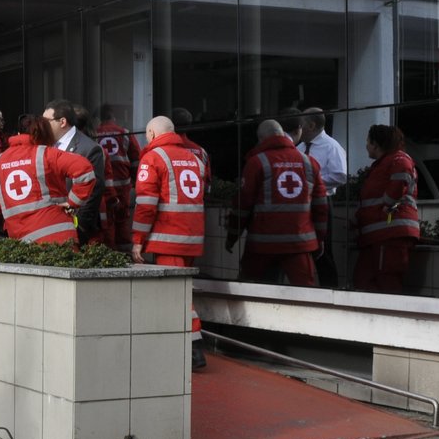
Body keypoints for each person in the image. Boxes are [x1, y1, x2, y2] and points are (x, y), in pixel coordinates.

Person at [133, 114, 209, 371]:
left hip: (167, 238)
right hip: (192, 237)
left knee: (178, 298)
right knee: (182, 294)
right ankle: (186, 347)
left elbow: (145, 205)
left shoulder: (153, 157)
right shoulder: (196, 157)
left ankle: (194, 351)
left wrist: (137, 240)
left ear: (152, 134)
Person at [227, 119, 328, 287]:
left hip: (262, 246)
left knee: (251, 293)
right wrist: (320, 239)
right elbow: (321, 207)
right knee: (308, 298)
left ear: (260, 140)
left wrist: (232, 237)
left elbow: (242, 205)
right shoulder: (309, 163)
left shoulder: (256, 162)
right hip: (299, 245)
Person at [0, 114, 96, 245]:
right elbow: (85, 171)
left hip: (23, 243)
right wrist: (73, 202)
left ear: (17, 134)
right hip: (60, 238)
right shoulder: (47, 154)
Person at [354, 124, 421, 293]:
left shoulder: (398, 160)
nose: (366, 145)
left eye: (368, 141)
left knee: (387, 283)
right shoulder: (384, 164)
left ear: (376, 144)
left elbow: (397, 185)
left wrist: (388, 202)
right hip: (379, 236)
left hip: (390, 235)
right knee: (364, 281)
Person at [297, 107, 349, 287]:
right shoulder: (300, 147)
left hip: (321, 202)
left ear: (311, 125)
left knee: (323, 249)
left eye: (301, 124)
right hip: (301, 204)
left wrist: (314, 184)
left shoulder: (331, 146)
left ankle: (330, 289)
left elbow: (340, 176)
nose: (299, 128)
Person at [43, 101, 106, 245]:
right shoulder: (44, 145)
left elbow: (93, 193)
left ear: (62, 122)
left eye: (46, 121)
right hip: (48, 226)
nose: (42, 125)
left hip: (75, 229)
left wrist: (79, 230)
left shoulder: (89, 148)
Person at [93, 105, 140, 249]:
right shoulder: (125, 133)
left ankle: (110, 251)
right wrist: (134, 182)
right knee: (122, 219)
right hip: (122, 185)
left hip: (103, 186)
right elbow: (136, 160)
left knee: (106, 220)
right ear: (113, 117)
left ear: (99, 119)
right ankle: (124, 252)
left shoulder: (94, 134)